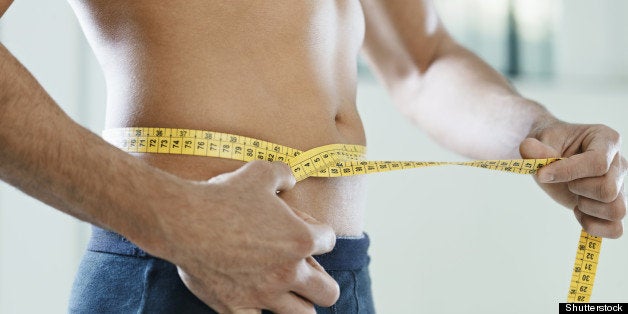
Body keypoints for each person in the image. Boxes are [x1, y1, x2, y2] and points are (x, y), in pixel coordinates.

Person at [0, 0, 625, 313]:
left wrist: (542, 134)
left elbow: (422, 61)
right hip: (176, 275)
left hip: (339, 278)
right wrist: (181, 222)